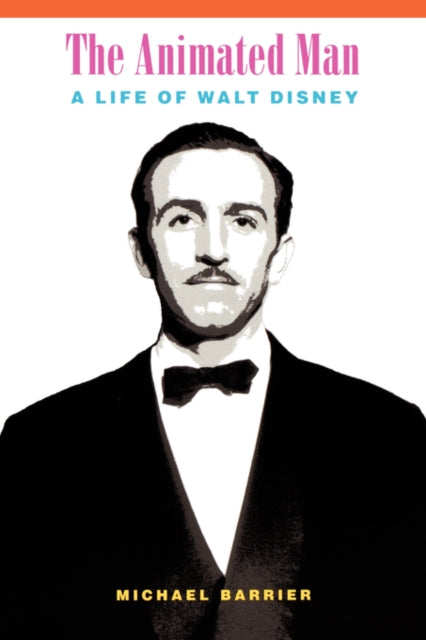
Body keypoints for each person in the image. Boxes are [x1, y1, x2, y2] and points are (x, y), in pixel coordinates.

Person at [0, 122, 424, 640]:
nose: (214, 249)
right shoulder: (40, 442)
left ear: (280, 256)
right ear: (141, 251)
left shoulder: (388, 433)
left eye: (243, 221)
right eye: (183, 219)